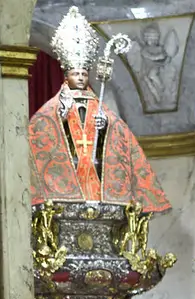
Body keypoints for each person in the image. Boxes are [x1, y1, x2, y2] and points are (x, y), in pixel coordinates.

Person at [29, 6, 170, 212]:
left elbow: (119, 136)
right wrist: (62, 117)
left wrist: (104, 127)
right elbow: (41, 136)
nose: (80, 78)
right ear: (66, 75)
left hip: (97, 182)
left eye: (84, 74)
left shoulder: (100, 107)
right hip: (64, 188)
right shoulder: (49, 111)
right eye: (76, 73)